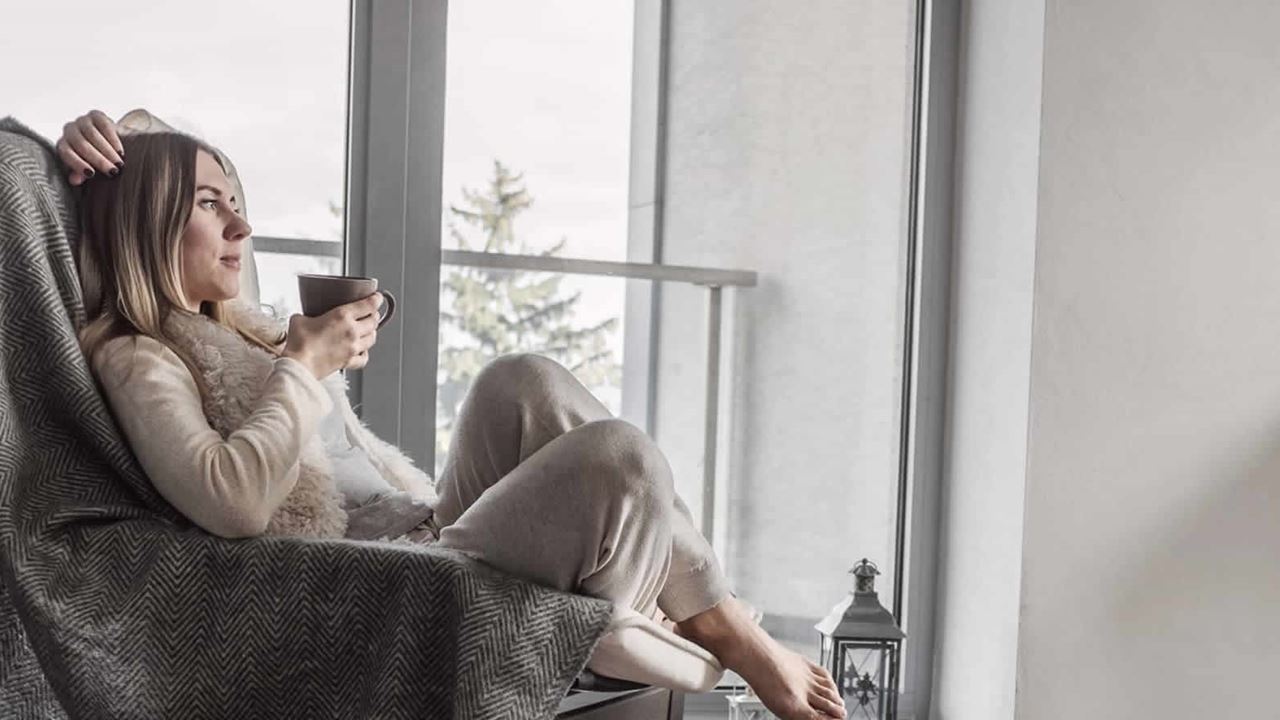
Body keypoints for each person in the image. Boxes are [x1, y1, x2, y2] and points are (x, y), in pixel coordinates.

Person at [59, 109, 846, 720]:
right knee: (620, 458)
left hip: (426, 533)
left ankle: (670, 614)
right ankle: (689, 624)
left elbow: (165, 162)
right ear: (145, 221)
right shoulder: (138, 353)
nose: (243, 226)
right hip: (384, 589)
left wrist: (122, 134)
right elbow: (231, 503)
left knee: (522, 379)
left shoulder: (246, 329)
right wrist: (305, 366)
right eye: (210, 207)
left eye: (238, 204)